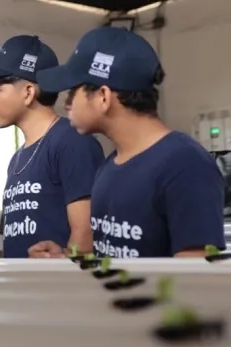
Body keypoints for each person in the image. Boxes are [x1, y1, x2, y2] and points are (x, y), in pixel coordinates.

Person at [32, 26, 226, 258]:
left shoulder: (186, 166)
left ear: (103, 97)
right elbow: (111, 258)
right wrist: (66, 259)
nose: (67, 104)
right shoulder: (109, 167)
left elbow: (194, 281)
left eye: (74, 91)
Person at [0, 34, 105, 258]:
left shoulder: (71, 142)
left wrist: (62, 268)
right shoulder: (17, 159)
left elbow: (86, 233)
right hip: (23, 289)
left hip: (55, 290)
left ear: (28, 92)